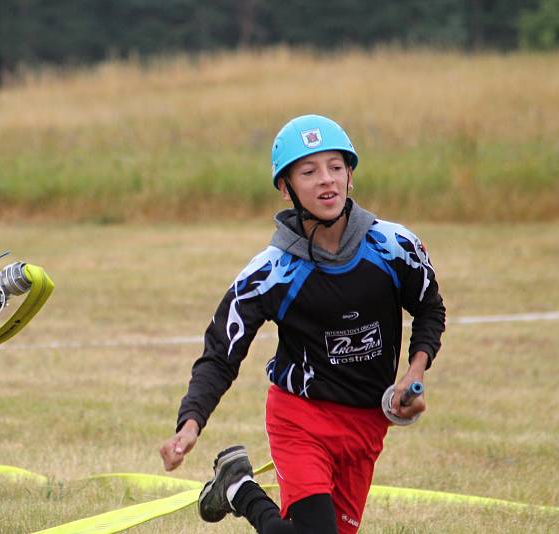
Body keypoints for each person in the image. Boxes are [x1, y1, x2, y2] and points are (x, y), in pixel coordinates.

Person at [159, 114, 446, 534]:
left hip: (368, 423)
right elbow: (221, 353)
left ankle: (236, 485)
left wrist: (414, 374)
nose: (326, 180)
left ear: (351, 175)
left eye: (335, 167)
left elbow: (429, 308)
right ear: (285, 187)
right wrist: (189, 425)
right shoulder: (270, 273)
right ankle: (241, 488)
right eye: (309, 172)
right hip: (300, 419)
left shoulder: (394, 246)